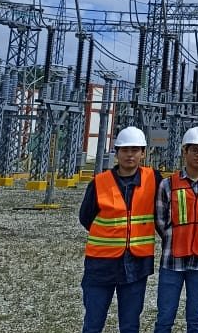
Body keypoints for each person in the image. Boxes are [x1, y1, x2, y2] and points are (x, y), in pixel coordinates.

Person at [79, 126, 162, 333]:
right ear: (116, 153)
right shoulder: (100, 182)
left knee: (130, 325)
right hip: (100, 265)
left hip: (136, 264)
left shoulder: (154, 179)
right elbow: (86, 217)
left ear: (143, 153)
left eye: (135, 150)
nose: (130, 155)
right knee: (93, 323)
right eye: (125, 150)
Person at [154, 126, 198, 333]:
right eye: (194, 150)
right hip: (172, 261)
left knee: (196, 319)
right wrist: (174, 238)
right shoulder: (168, 184)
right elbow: (160, 220)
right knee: (164, 318)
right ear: (185, 152)